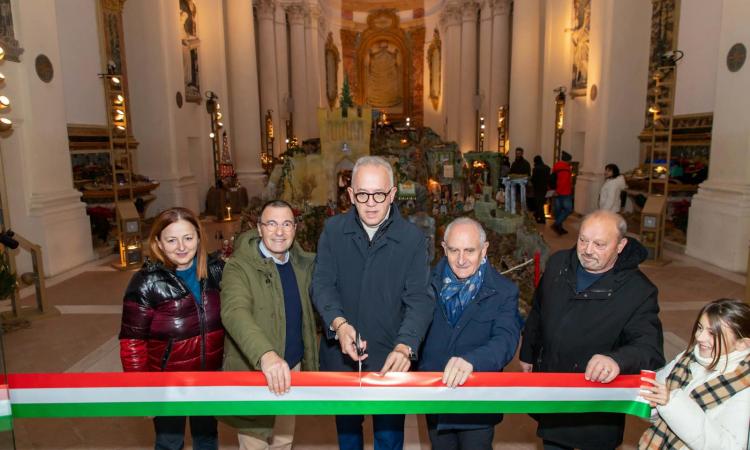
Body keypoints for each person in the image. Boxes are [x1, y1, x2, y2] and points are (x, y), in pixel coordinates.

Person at [311, 155, 435, 450]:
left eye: (379, 193)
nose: (371, 202)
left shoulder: (412, 239)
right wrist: (339, 325)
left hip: (391, 355)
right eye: (363, 194)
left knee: (389, 438)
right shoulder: (333, 231)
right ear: (351, 194)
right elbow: (321, 284)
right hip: (341, 355)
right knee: (348, 436)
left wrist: (406, 346)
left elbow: (419, 299)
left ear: (392, 194)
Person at [519, 209, 665, 450]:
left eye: (599, 244)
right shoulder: (558, 263)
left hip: (597, 406)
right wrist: (528, 351)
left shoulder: (639, 291)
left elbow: (649, 348)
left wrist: (616, 360)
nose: (587, 251)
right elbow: (539, 310)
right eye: (583, 240)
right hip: (554, 389)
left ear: (620, 245)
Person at [119, 207, 224, 450]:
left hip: (209, 378)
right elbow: (132, 343)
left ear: (198, 237)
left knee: (207, 439)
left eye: (188, 238)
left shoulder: (216, 271)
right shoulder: (146, 282)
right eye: (171, 240)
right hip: (166, 383)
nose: (181, 247)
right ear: (158, 243)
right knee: (169, 441)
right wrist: (141, 391)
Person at [220, 200, 319, 450]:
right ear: (259, 228)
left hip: (292, 368)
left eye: (286, 224)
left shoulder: (302, 264)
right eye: (271, 224)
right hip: (256, 370)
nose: (279, 231)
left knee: (283, 441)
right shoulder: (239, 266)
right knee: (255, 441)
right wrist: (266, 355)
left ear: (295, 228)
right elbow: (235, 312)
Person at [420, 217, 520, 450]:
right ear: (444, 248)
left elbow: (505, 340)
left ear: (484, 250)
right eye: (454, 250)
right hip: (436, 398)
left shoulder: (504, 291)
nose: (461, 260)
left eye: (469, 251)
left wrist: (472, 361)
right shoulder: (425, 284)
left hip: (478, 403)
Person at [639, 298, 749, 450]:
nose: (700, 337)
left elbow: (729, 446)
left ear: (742, 344)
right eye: (700, 327)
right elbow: (658, 409)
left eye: (713, 333)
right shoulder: (689, 357)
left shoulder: (744, 388)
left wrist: (671, 403)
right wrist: (653, 406)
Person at [551, 151, 573, 235]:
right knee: (568, 209)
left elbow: (555, 179)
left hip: (557, 192)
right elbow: (563, 182)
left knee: (558, 211)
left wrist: (555, 191)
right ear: (568, 160)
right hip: (564, 192)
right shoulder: (566, 169)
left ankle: (559, 228)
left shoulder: (556, 166)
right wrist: (558, 191)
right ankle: (556, 224)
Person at [531, 155, 551, 223]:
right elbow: (549, 178)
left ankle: (542, 219)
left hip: (537, 188)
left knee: (539, 204)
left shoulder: (535, 169)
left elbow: (533, 179)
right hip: (545, 188)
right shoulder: (547, 168)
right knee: (541, 203)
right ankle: (536, 215)